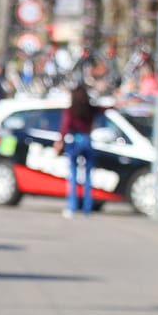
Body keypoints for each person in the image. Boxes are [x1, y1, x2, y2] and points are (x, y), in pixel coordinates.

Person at [59, 83, 97, 219]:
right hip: (87, 140)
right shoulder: (90, 109)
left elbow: (65, 127)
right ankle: (87, 208)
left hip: (74, 140)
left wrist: (60, 141)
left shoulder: (71, 110)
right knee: (87, 176)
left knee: (73, 175)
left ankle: (72, 206)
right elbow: (104, 109)